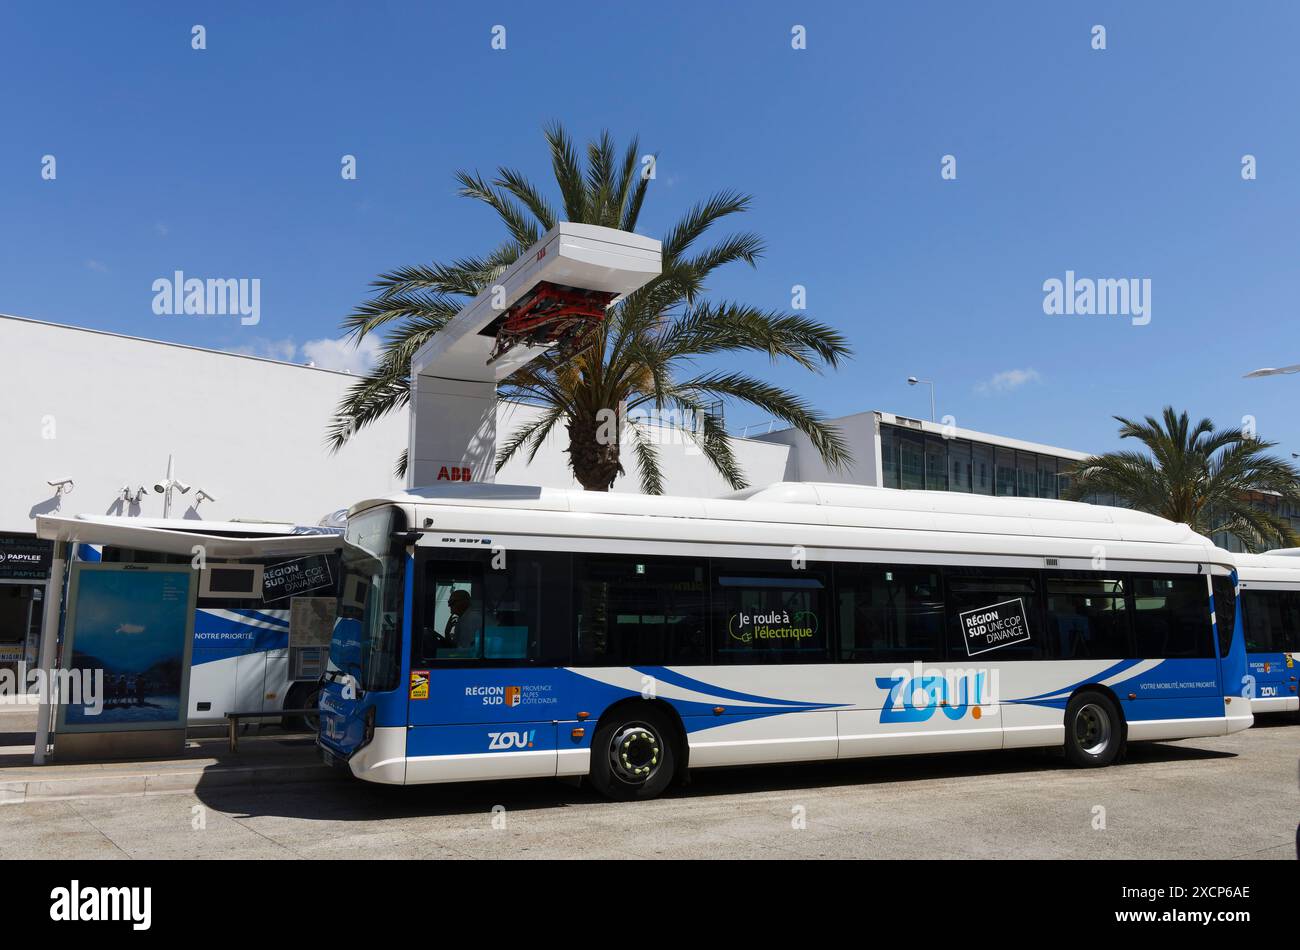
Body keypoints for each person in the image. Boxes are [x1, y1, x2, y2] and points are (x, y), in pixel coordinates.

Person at [438, 589, 482, 655]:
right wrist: (447, 632)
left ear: (464, 601)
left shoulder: (473, 618)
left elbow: (469, 650)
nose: (449, 605)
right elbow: (455, 645)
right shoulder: (462, 618)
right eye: (449, 602)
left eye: (452, 602)